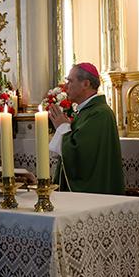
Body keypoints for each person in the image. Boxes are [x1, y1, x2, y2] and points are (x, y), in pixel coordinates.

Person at [48, 62, 125, 195]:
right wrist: (66, 128)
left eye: (70, 81)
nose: (66, 86)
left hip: (96, 193)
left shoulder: (100, 113)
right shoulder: (86, 112)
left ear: (86, 84)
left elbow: (79, 153)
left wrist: (63, 127)